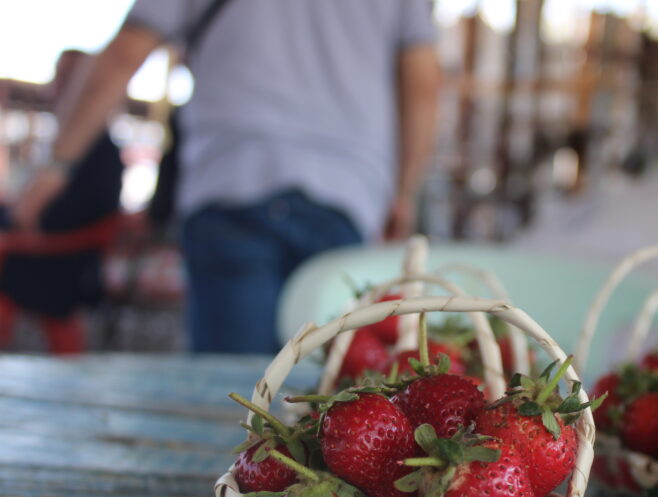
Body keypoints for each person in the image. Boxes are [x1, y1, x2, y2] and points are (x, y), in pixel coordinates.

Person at [12, 0, 441, 354]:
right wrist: (402, 191)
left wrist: (56, 167)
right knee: (323, 393)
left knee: (233, 399)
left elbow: (123, 56)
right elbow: (423, 83)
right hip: (346, 192)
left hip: (233, 179)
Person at [0, 49, 124, 353]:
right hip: (47, 252)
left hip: (60, 262)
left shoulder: (93, 147)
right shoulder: (73, 143)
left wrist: (22, 228)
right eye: (59, 77)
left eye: (70, 78)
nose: (58, 86)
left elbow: (87, 215)